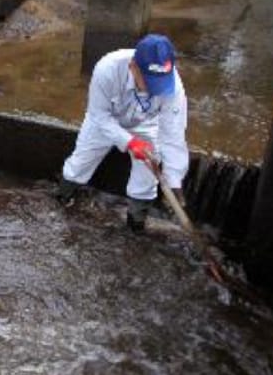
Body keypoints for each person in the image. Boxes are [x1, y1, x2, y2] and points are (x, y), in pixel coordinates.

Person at [56, 33, 189, 232]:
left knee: (147, 175)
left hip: (145, 124)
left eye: (160, 82)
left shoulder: (174, 87)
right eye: (150, 81)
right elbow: (99, 115)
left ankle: (135, 224)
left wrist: (174, 180)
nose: (156, 89)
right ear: (134, 67)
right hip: (106, 120)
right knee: (81, 161)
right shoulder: (107, 69)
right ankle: (62, 199)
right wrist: (128, 142)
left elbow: (173, 134)